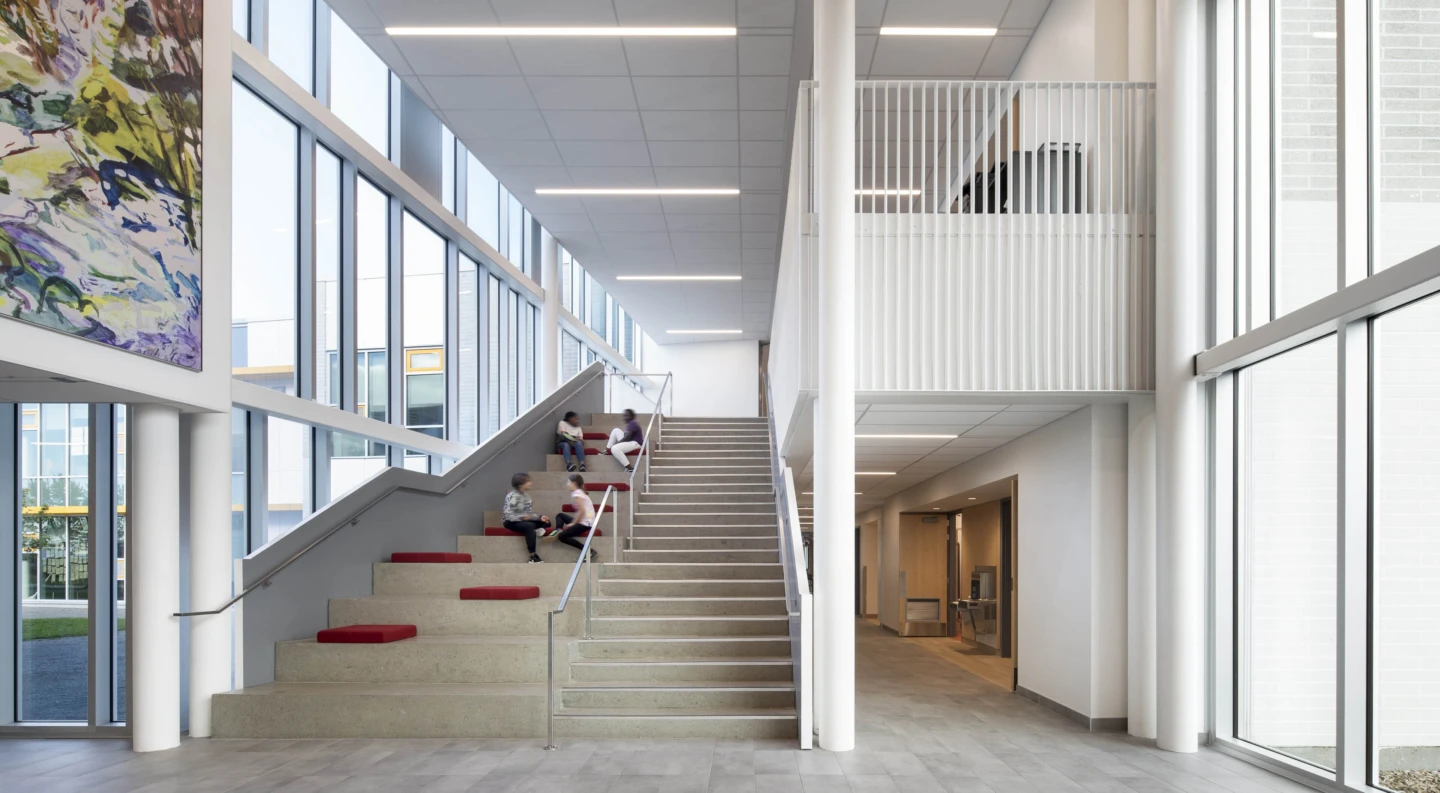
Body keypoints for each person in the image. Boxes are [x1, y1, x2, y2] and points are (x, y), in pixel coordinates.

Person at [547, 474, 599, 563]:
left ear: (573, 483)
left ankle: (588, 551)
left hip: (585, 523)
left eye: (568, 482)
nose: (567, 484)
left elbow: (582, 511)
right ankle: (558, 529)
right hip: (585, 521)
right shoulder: (580, 492)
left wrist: (573, 523)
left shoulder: (577, 493)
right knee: (560, 515)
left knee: (562, 537)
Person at [502, 472, 552, 564]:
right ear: (521, 484)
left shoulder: (526, 496)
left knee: (547, 522)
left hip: (524, 520)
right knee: (529, 526)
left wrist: (539, 517)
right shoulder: (512, 496)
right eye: (529, 481)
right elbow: (509, 516)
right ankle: (532, 556)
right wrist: (523, 517)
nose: (531, 483)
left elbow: (528, 514)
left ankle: (535, 530)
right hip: (511, 522)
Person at [603, 409, 644, 473]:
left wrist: (617, 444)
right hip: (630, 442)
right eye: (624, 416)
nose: (625, 417)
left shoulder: (632, 423)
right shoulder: (630, 424)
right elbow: (627, 437)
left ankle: (629, 468)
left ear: (632, 416)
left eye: (627, 415)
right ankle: (606, 450)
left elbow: (628, 437)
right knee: (616, 430)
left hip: (636, 443)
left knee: (614, 448)